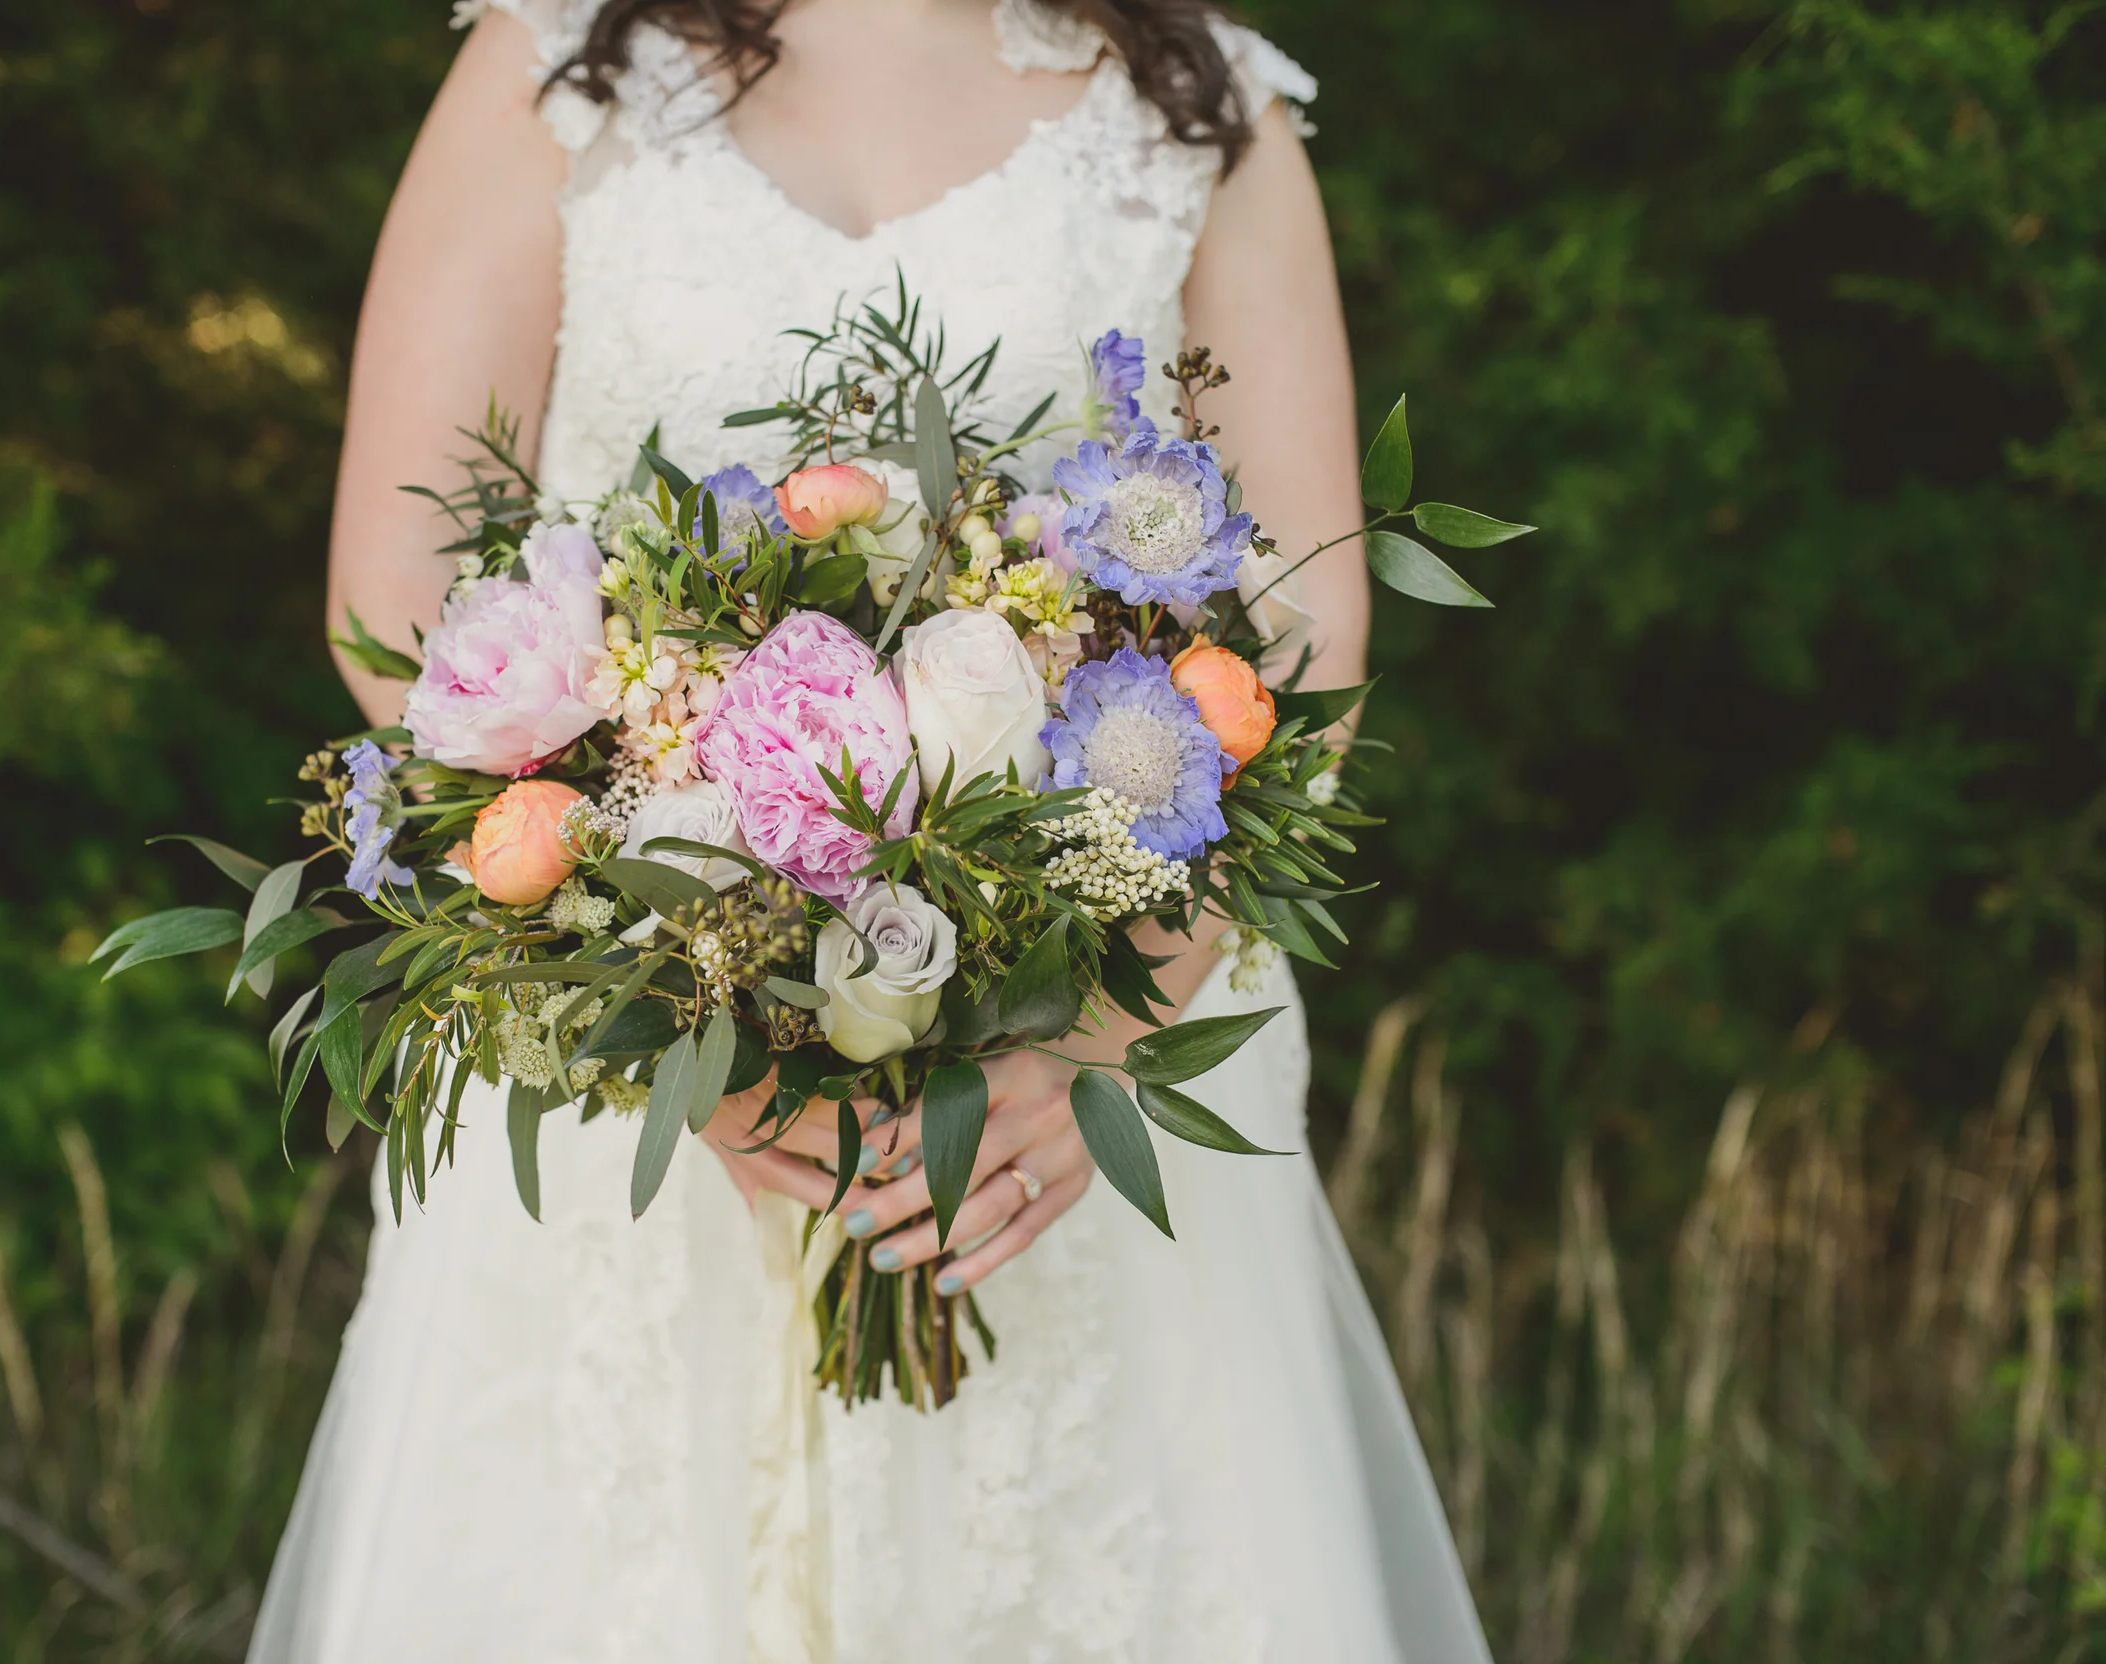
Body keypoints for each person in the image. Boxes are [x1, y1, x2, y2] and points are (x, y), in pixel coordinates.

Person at [254, 2, 1492, 1658]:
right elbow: (394, 600)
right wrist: (660, 1025)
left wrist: (1103, 1037)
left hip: (1087, 1065)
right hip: (634, 1081)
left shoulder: (1198, 102)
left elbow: (1307, 625)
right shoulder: (556, 59)